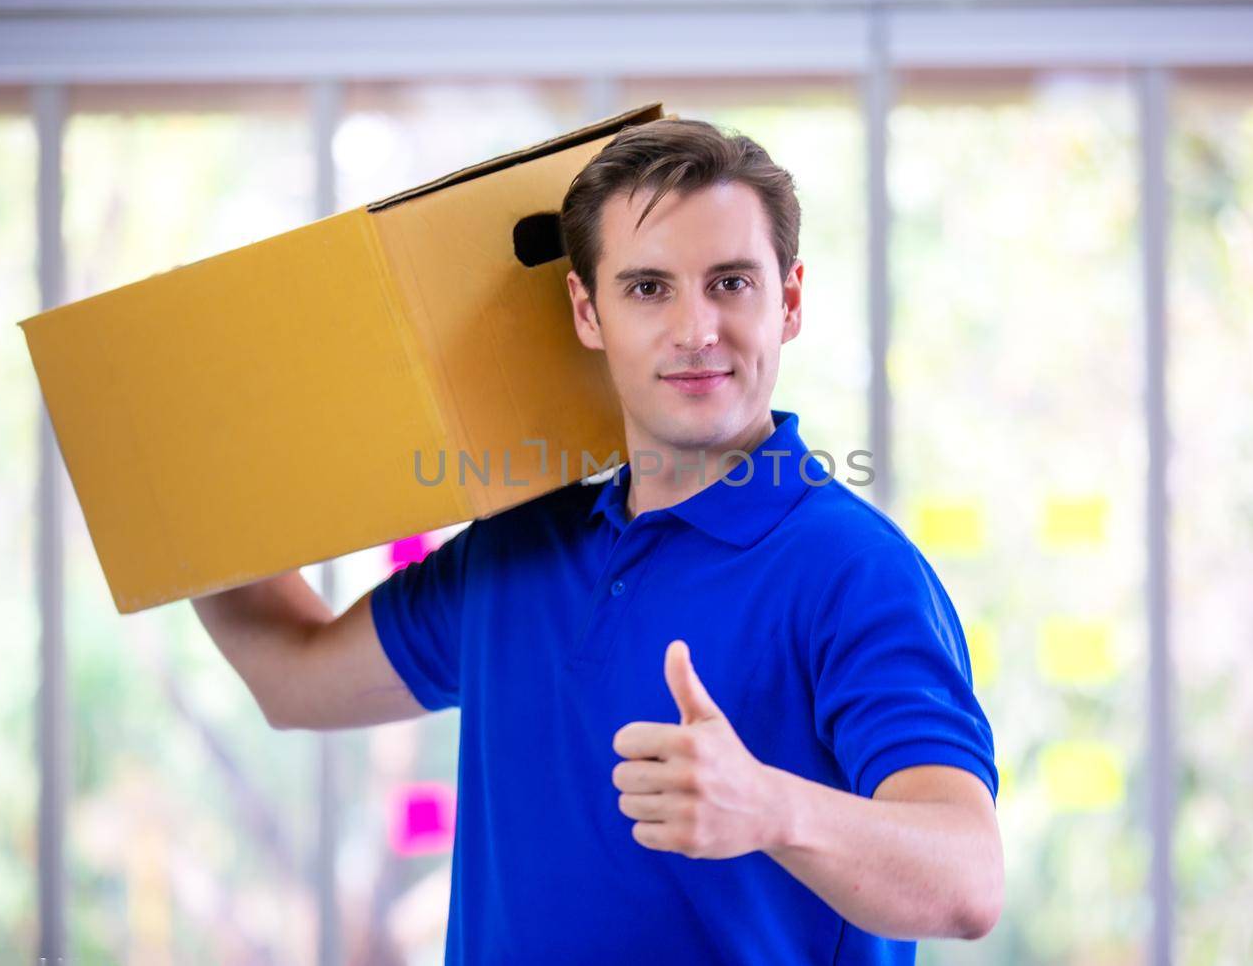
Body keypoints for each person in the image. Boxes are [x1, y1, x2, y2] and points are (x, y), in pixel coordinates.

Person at [194, 117, 1003, 964]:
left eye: (730, 282)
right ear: (588, 310)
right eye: (649, 288)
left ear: (788, 301)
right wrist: (185, 502)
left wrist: (769, 807)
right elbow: (292, 676)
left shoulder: (853, 570)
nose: (695, 329)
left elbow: (968, 877)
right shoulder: (512, 552)